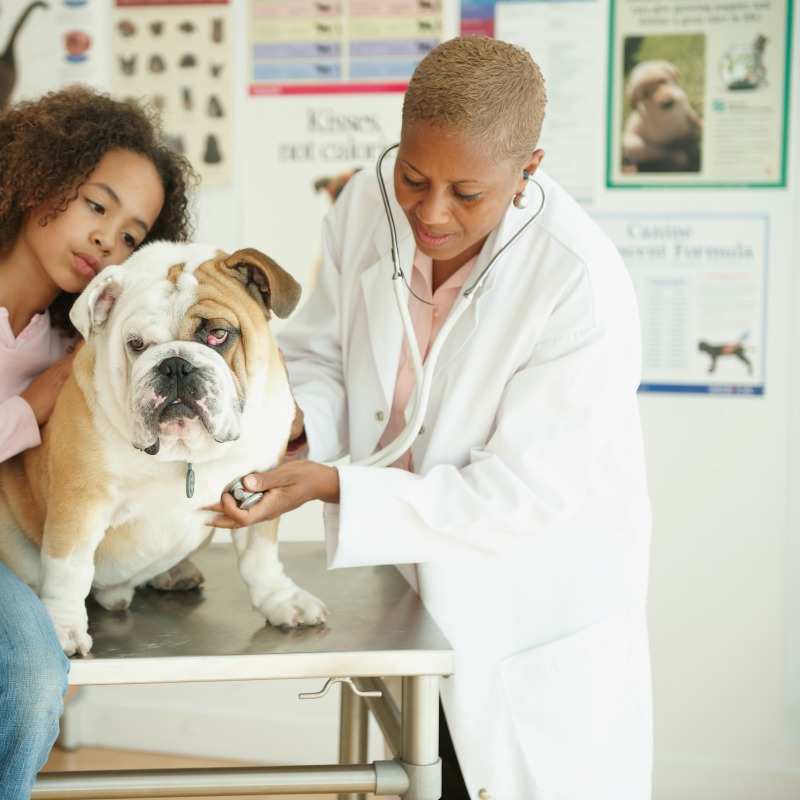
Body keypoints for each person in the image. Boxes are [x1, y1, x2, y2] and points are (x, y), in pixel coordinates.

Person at [213, 36, 653, 800]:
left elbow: (518, 495)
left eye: (467, 193)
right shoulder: (368, 199)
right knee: (418, 771)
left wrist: (336, 487)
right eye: (415, 177)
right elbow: (318, 350)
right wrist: (300, 429)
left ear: (529, 172)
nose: (431, 212)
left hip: (527, 608)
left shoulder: (578, 284)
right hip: (409, 594)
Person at [0, 84, 196, 800]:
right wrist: (32, 403)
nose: (107, 241)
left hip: (14, 556)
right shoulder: (62, 369)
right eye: (96, 205)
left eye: (132, 235)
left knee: (30, 678)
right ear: (37, 182)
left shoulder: (84, 341)